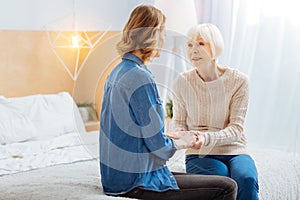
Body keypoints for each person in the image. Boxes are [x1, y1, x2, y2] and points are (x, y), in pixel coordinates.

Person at [99, 5, 237, 200]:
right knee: (227, 186)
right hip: (137, 182)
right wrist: (185, 141)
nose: (164, 40)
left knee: (206, 180)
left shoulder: (117, 72)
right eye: (162, 34)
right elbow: (161, 150)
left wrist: (169, 136)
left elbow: (134, 131)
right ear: (153, 36)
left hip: (116, 180)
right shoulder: (139, 77)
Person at [171, 23, 259, 200]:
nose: (193, 50)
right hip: (199, 153)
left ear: (215, 46)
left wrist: (206, 138)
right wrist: (183, 136)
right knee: (221, 182)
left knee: (247, 178)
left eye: (201, 44)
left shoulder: (239, 81)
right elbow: (179, 122)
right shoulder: (182, 81)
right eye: (189, 45)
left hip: (235, 149)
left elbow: (236, 129)